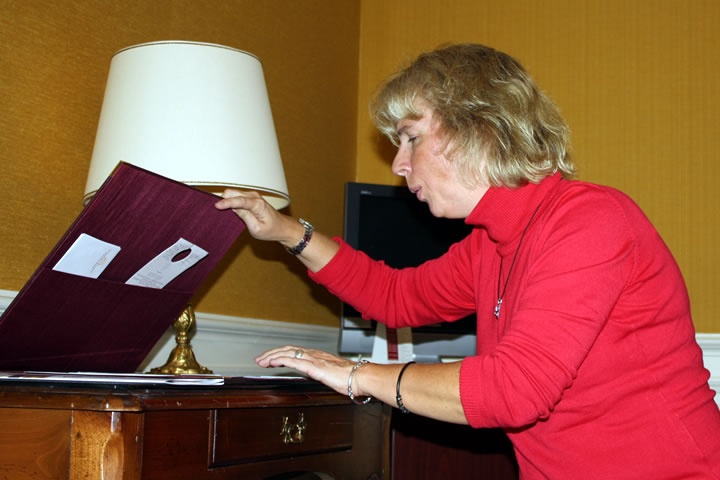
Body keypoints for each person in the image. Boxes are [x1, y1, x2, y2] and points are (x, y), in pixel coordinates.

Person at [215, 44, 720, 479]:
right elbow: (394, 297)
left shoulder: (590, 219)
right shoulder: (489, 243)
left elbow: (513, 390)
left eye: (412, 137)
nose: (399, 164)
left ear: (477, 126)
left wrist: (357, 375)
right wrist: (285, 231)